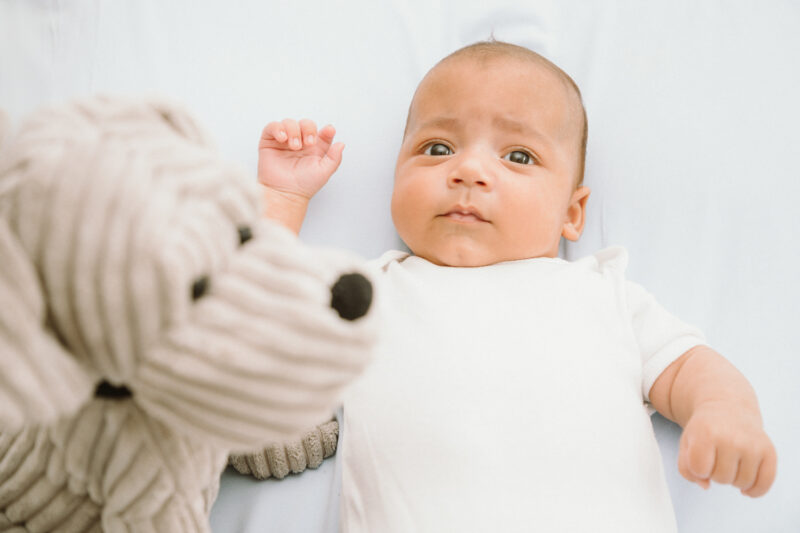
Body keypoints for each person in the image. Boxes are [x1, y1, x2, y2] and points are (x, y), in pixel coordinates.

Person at [255, 40, 777, 532]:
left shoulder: (602, 291)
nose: (470, 170)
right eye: (437, 148)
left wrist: (724, 411)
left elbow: (690, 365)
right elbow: (251, 338)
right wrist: (280, 202)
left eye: (518, 156)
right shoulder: (368, 291)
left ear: (572, 213)